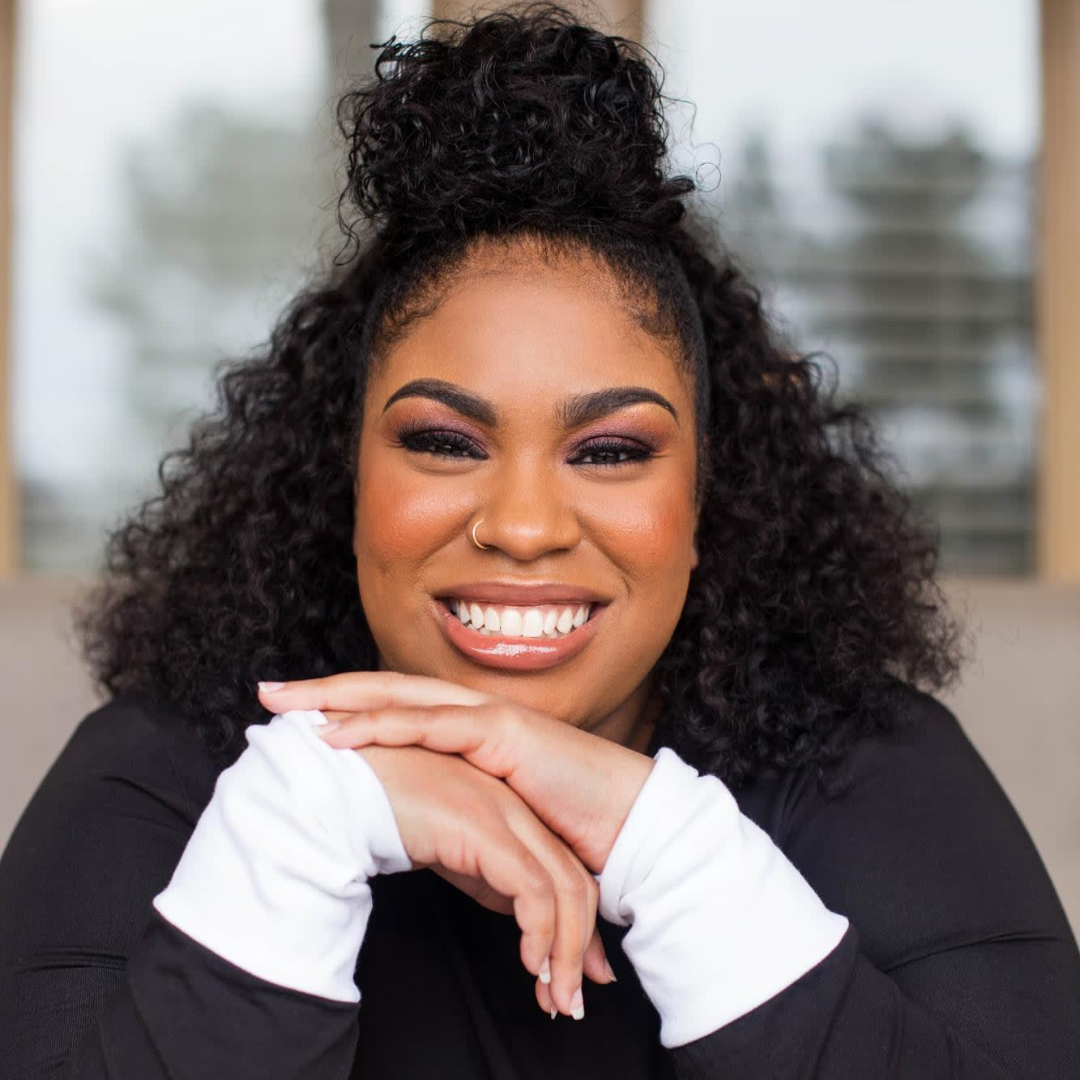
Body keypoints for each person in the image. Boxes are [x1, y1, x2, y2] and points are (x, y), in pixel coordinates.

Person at [1, 3, 1077, 1077]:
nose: (521, 528)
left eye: (609, 452)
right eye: (442, 441)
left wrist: (669, 852)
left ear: (707, 500)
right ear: (347, 479)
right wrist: (300, 829)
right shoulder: (168, 769)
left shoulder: (863, 767)